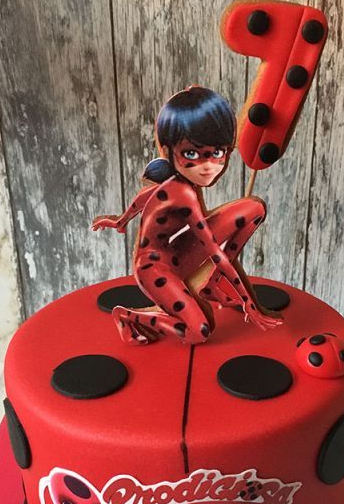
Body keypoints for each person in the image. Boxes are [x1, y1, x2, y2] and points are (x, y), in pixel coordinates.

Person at [92, 86, 282, 344]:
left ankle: (211, 283)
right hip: (153, 268)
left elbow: (146, 196)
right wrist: (248, 303)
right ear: (166, 150)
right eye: (191, 154)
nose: (208, 166)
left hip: (178, 252)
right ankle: (127, 315)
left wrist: (121, 220)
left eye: (217, 153)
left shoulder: (176, 183)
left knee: (254, 209)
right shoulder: (185, 194)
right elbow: (215, 252)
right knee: (198, 331)